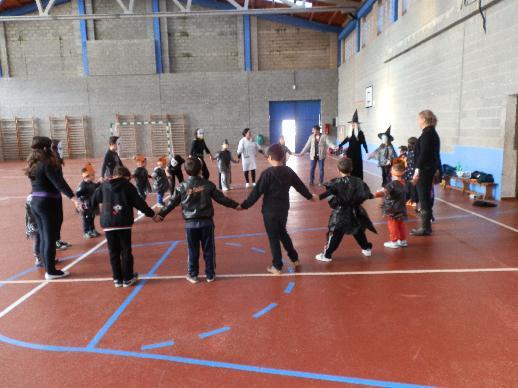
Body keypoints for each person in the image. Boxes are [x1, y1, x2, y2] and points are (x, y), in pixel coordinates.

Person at [155, 158, 239, 283]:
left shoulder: (181, 187)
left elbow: (171, 203)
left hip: (190, 225)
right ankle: (210, 274)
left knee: (192, 249)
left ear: (186, 171)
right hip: (207, 223)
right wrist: (236, 205)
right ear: (201, 170)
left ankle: (193, 274)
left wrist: (161, 215)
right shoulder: (207, 184)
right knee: (209, 249)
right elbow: (221, 198)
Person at [239, 144, 317, 274]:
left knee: (273, 237)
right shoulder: (288, 171)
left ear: (269, 158)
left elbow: (256, 193)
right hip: (283, 210)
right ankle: (295, 258)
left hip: (269, 212)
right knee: (282, 233)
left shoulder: (267, 174)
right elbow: (300, 186)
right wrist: (310, 197)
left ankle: (277, 266)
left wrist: (244, 205)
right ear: (283, 157)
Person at [25, 136, 80, 280]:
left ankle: (47, 264)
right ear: (45, 148)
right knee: (49, 237)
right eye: (49, 147)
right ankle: (50, 271)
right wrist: (74, 198)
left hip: (35, 203)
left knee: (43, 236)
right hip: (47, 203)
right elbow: (59, 183)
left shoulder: (34, 163)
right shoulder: (46, 164)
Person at [91, 166, 156, 288]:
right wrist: (152, 214)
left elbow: (94, 200)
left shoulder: (104, 186)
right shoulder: (128, 186)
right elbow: (139, 203)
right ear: (125, 177)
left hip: (108, 223)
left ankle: (117, 279)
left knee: (113, 252)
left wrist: (92, 211)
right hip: (123, 222)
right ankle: (127, 278)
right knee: (126, 251)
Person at [314, 157, 376, 262]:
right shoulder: (358, 181)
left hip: (340, 213)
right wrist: (374, 195)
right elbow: (366, 194)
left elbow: (327, 193)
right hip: (355, 211)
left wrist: (317, 197)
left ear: (338, 170)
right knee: (358, 231)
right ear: (351, 168)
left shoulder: (336, 183)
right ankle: (366, 248)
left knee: (336, 233)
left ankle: (327, 255)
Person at [411, 110, 441, 236]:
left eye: (419, 119)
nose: (418, 121)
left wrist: (417, 169)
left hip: (424, 171)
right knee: (425, 197)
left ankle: (425, 228)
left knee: (423, 198)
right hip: (428, 169)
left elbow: (424, 154)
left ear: (424, 119)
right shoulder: (431, 133)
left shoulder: (428, 134)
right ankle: (426, 226)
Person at [375, 158, 408, 248]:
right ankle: (402, 240)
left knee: (392, 224)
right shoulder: (404, 183)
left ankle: (394, 241)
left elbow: (384, 192)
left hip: (392, 210)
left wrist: (375, 194)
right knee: (401, 224)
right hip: (401, 208)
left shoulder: (391, 184)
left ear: (392, 172)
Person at [51, 139, 72, 251]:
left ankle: (57, 239)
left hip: (56, 194)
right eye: (59, 148)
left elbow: (61, 181)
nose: (61, 150)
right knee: (54, 219)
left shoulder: (57, 161)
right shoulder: (51, 163)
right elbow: (59, 182)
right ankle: (53, 241)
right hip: (50, 196)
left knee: (59, 218)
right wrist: (72, 196)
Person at [337, 110, 368, 179]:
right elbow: (346, 140)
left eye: (354, 123)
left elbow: (364, 142)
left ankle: (358, 179)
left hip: (357, 153)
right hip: (350, 153)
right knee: (350, 166)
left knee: (357, 167)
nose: (353, 125)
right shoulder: (350, 133)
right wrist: (339, 145)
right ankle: (350, 179)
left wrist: (366, 151)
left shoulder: (360, 133)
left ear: (357, 124)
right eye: (352, 124)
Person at [76, 163, 101, 239]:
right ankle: (86, 231)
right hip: (86, 205)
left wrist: (100, 183)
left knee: (91, 217)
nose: (94, 177)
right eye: (92, 175)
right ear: (86, 176)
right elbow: (77, 193)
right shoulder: (83, 185)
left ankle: (92, 229)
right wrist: (81, 203)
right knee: (86, 218)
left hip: (91, 204)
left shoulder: (91, 183)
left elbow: (95, 186)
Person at [25, 194, 42, 267]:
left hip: (38, 224)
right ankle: (38, 259)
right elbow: (27, 217)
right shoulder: (32, 199)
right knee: (37, 240)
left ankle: (45, 258)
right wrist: (26, 228)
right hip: (34, 225)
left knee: (42, 241)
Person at [404, 137, 418, 207]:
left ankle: (414, 200)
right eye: (409, 143)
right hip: (408, 172)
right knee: (407, 186)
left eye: (411, 143)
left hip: (413, 172)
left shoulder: (417, 153)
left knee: (413, 187)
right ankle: (408, 199)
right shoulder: (408, 152)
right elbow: (406, 161)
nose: (409, 145)